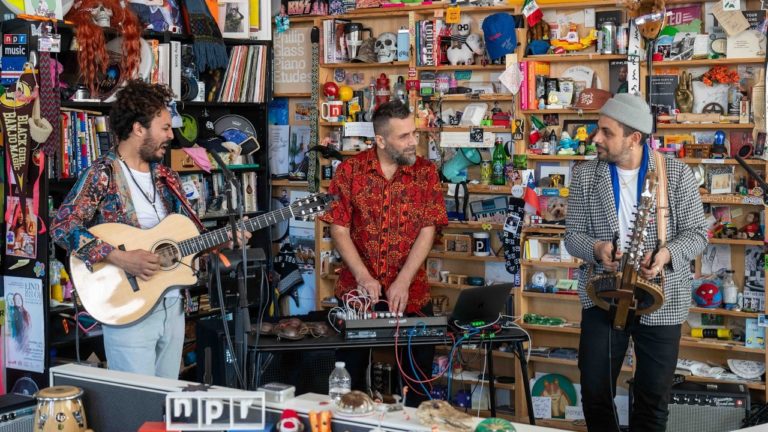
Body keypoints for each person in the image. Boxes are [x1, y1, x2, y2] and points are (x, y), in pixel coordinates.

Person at [52, 80, 250, 378]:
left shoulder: (166, 176)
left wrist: (221, 242)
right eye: (165, 128)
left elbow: (187, 240)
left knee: (166, 405)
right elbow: (62, 225)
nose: (172, 135)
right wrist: (120, 258)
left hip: (173, 303)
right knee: (135, 407)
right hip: (128, 307)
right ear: (138, 128)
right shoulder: (103, 174)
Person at [564, 94, 707, 431]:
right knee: (595, 391)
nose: (595, 138)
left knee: (653, 398)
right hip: (604, 296)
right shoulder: (586, 175)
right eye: (597, 130)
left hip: (663, 302)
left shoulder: (676, 174)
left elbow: (698, 234)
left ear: (634, 138)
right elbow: (572, 237)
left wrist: (666, 254)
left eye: (606, 132)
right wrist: (598, 249)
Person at [320, 100, 448, 406]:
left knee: (418, 385)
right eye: (403, 136)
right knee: (348, 379)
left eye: (413, 133)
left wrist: (403, 280)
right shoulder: (350, 171)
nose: (413, 142)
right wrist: (364, 276)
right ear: (380, 140)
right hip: (356, 294)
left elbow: (428, 228)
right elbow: (338, 228)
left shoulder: (426, 172)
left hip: (412, 294)